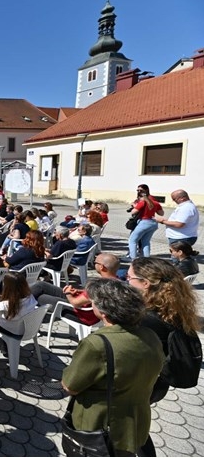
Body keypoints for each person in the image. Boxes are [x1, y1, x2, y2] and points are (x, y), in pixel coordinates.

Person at [62, 279, 164, 456]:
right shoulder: (151, 336)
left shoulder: (96, 344)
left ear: (102, 312)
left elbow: (70, 385)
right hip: (136, 421)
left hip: (100, 426)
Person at [128, 258, 199, 411]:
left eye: (129, 277)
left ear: (146, 283)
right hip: (158, 384)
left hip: (137, 387)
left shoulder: (145, 319)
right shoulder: (171, 308)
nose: (126, 280)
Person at [0, 272, 38, 336]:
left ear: (7, 286)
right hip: (26, 329)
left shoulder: (4, 305)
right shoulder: (30, 297)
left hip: (11, 330)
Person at [127, 184, 164, 260]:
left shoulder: (142, 202)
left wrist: (134, 206)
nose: (138, 192)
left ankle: (133, 259)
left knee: (132, 240)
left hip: (144, 222)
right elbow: (161, 213)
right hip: (153, 223)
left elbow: (133, 212)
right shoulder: (155, 203)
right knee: (145, 242)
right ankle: (146, 259)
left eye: (140, 191)